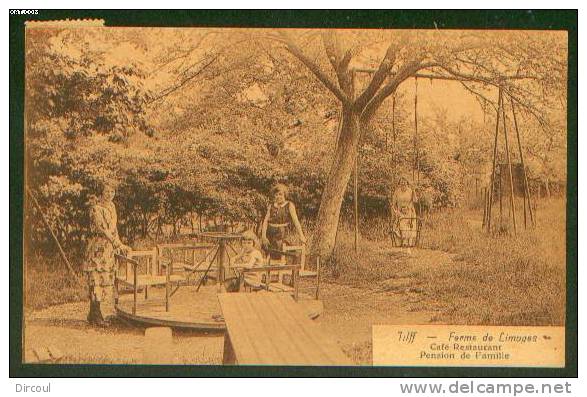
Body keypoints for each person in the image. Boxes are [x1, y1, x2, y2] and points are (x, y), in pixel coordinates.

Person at [84, 179, 131, 326]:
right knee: (96, 279)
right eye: (106, 191)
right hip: (98, 248)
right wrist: (116, 243)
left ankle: (93, 313)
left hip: (108, 250)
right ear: (101, 193)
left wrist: (120, 244)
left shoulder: (112, 207)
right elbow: (103, 230)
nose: (109, 194)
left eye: (112, 191)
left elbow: (114, 230)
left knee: (105, 280)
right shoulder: (96, 208)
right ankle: (96, 314)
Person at [261, 183, 306, 262]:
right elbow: (265, 222)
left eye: (280, 194)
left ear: (285, 195)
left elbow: (296, 221)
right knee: (268, 252)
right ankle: (270, 271)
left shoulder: (289, 205)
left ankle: (282, 270)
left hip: (282, 233)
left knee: (282, 252)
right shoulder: (271, 206)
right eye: (276, 195)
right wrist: (264, 236)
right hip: (270, 232)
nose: (278, 196)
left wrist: (301, 235)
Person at [390, 176, 418, 247]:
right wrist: (395, 212)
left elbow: (415, 200)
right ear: (399, 183)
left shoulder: (410, 190)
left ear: (407, 183)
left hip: (409, 211)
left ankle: (408, 241)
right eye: (402, 182)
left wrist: (414, 190)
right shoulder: (397, 192)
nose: (403, 184)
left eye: (405, 182)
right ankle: (402, 240)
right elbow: (393, 204)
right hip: (400, 211)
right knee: (401, 221)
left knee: (408, 222)